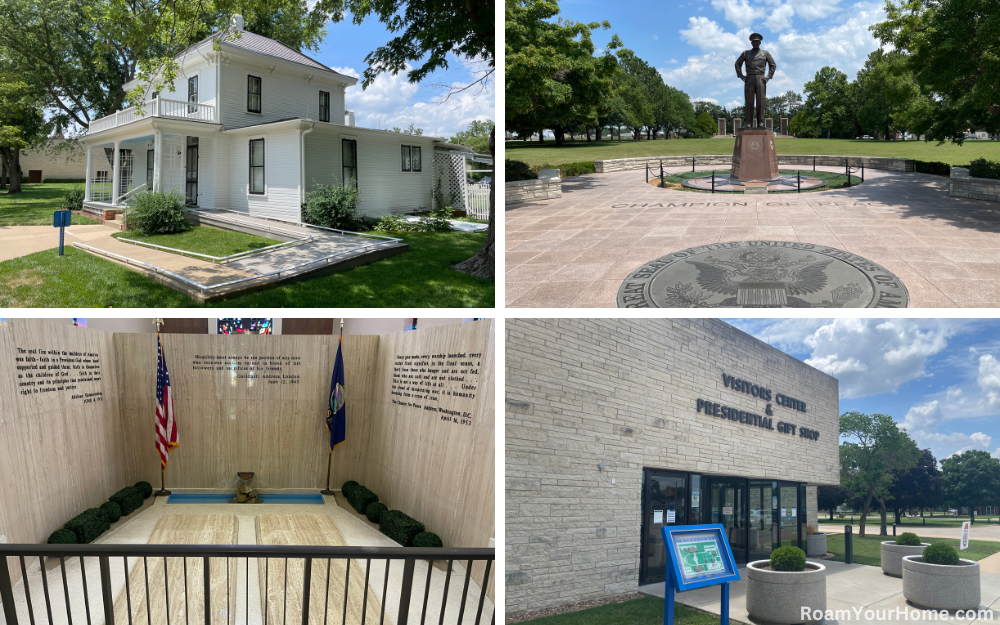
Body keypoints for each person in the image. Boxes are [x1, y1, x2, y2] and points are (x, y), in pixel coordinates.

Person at [734, 33, 777, 128]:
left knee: (760, 101)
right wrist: (741, 75)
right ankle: (749, 122)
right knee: (749, 101)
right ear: (751, 43)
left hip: (761, 79)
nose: (755, 43)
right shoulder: (746, 53)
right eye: (754, 42)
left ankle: (760, 122)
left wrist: (768, 76)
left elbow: (773, 65)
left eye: (757, 41)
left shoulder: (765, 54)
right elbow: (737, 64)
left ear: (760, 42)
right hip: (749, 79)